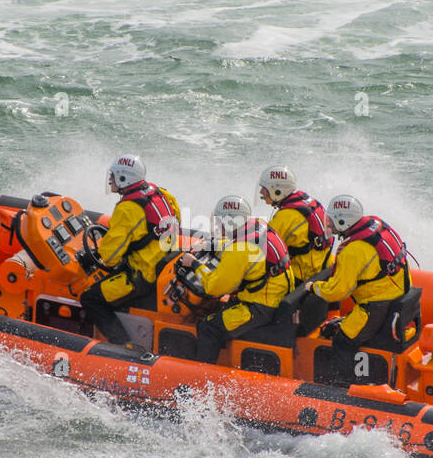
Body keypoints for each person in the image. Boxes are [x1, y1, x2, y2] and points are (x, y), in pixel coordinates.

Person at [301, 195, 411, 386]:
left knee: (343, 340)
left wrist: (314, 288)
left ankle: (344, 385)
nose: (329, 224)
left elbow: (337, 291)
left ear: (343, 221)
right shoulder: (375, 225)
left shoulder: (353, 251)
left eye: (333, 220)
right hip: (397, 289)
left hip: (377, 304)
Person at [178, 195, 294, 364]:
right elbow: (234, 245)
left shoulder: (239, 249)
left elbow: (214, 287)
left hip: (260, 307)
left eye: (219, 222)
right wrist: (208, 245)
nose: (217, 225)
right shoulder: (258, 226)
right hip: (275, 294)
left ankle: (200, 380)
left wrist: (194, 263)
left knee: (208, 327)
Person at [79, 154, 180, 344]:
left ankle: (123, 345)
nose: (110, 179)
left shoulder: (127, 209)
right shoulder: (161, 193)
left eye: (114, 175)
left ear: (124, 178)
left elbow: (109, 257)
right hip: (165, 263)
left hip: (143, 275)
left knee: (90, 298)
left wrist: (93, 256)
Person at [257, 165, 332, 284]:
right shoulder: (308, 201)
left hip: (305, 277)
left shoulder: (286, 216)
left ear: (277, 190)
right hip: (326, 267)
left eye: (264, 188)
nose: (261, 192)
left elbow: (260, 249)